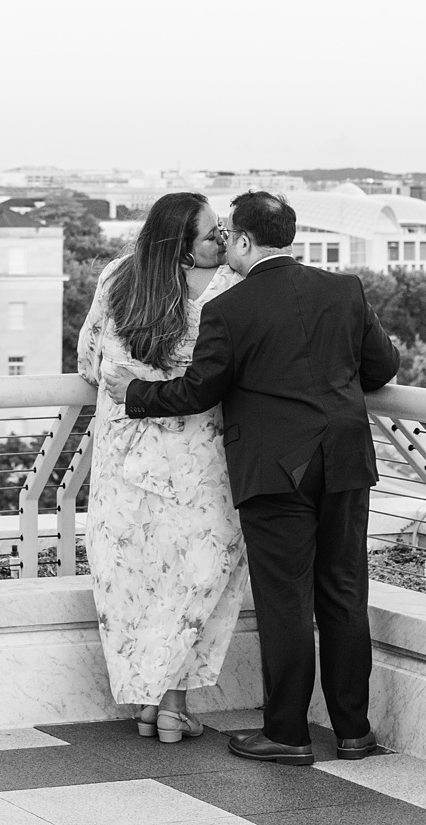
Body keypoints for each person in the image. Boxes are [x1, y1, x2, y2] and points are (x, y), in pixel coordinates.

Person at [103, 190, 400, 766]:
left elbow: (199, 390)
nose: (222, 244)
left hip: (274, 470)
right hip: (344, 459)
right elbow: (382, 368)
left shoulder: (230, 309)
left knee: (285, 600)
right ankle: (354, 732)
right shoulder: (344, 290)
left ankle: (287, 733)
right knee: (344, 594)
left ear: (243, 240)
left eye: (226, 235)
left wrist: (134, 393)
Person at [74, 192, 244, 743]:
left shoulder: (118, 277)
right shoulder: (231, 289)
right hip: (199, 456)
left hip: (123, 455)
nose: (223, 239)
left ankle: (153, 705)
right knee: (198, 576)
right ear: (183, 247)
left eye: (223, 231)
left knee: (139, 579)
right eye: (211, 234)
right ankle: (172, 707)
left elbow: (88, 361)